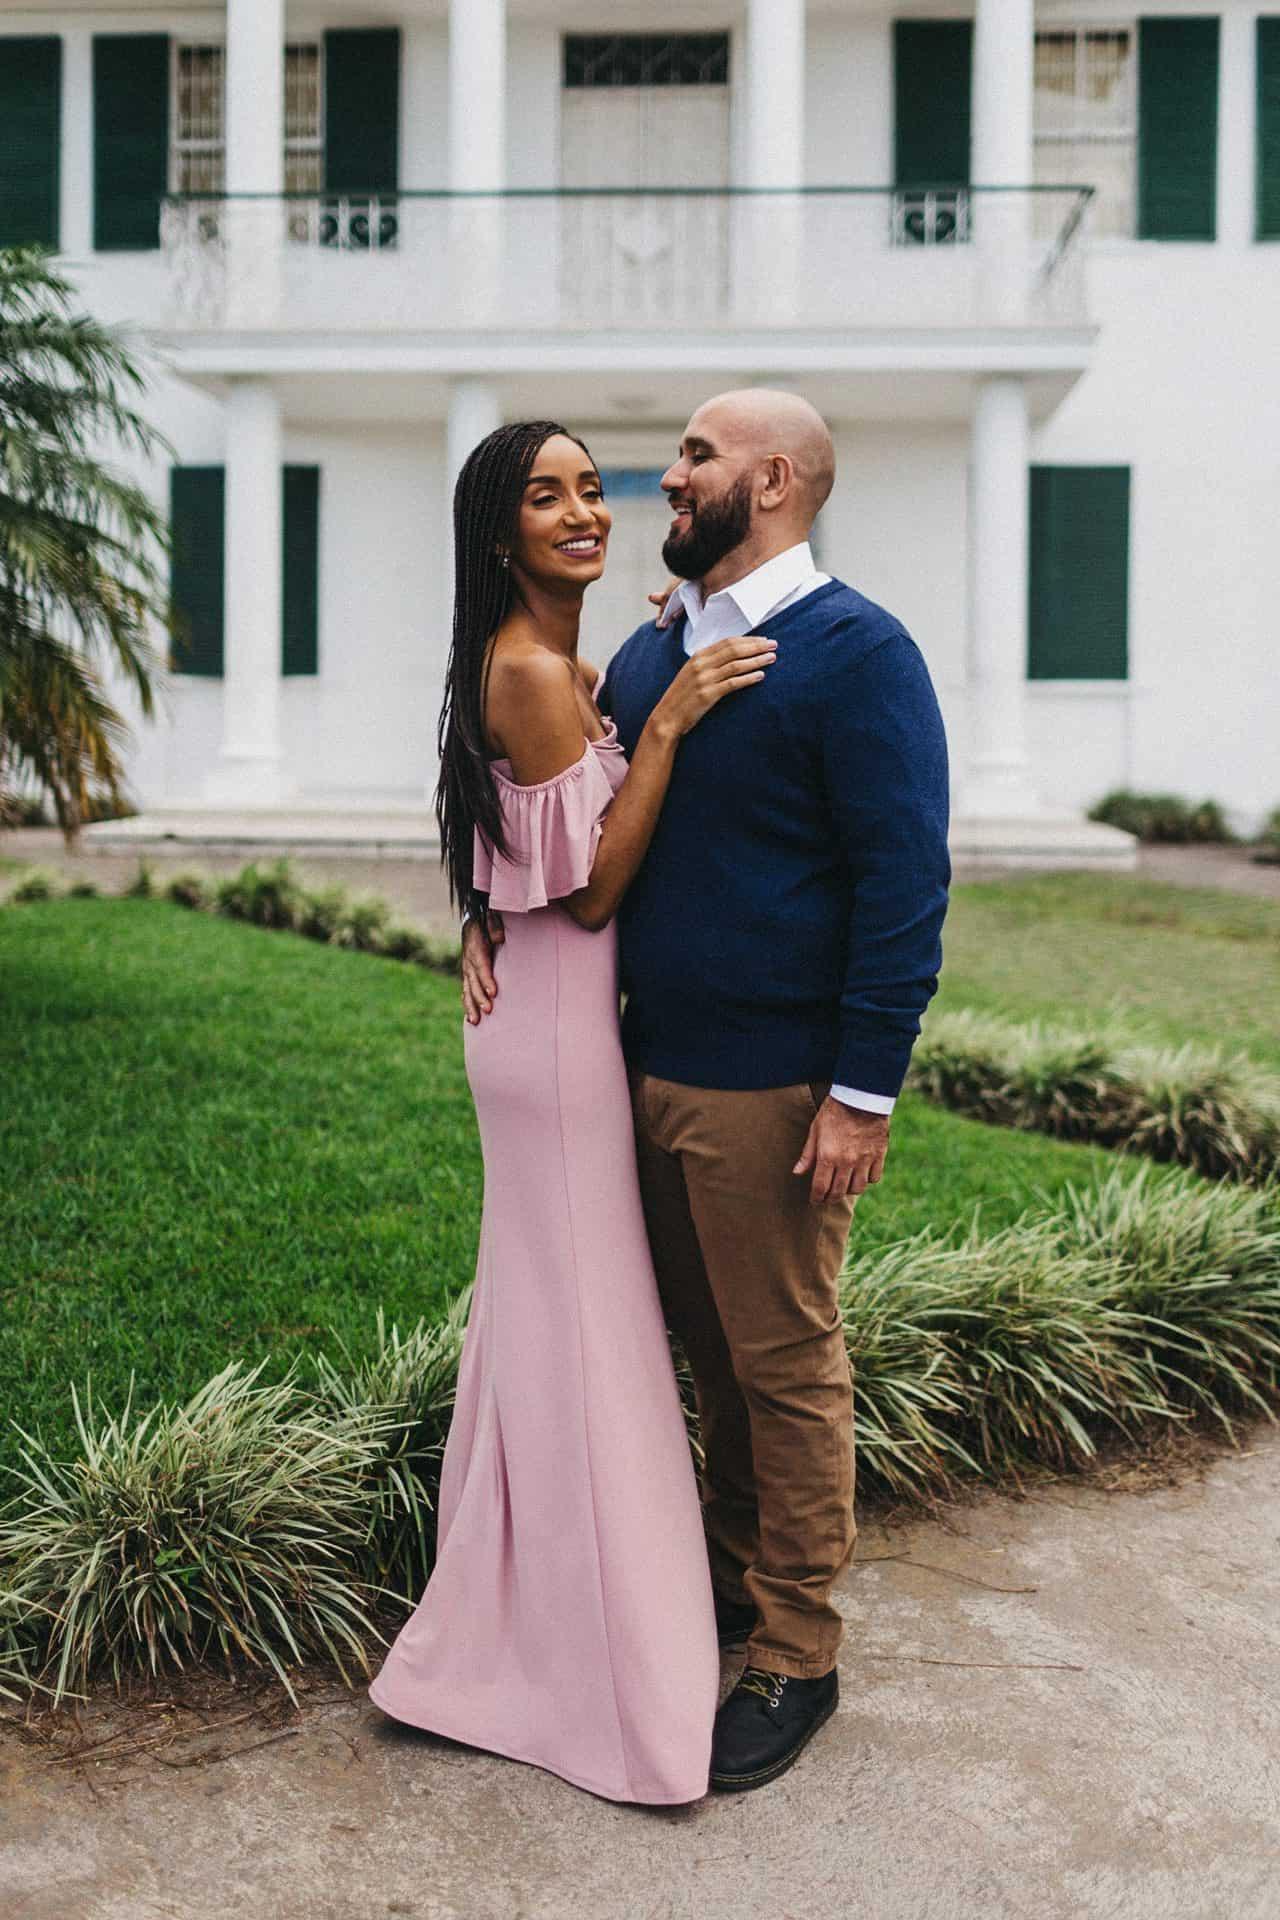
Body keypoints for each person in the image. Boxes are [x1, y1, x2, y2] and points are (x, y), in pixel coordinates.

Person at [463, 390, 951, 1794]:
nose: (661, 482)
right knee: (711, 1366)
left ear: (775, 480)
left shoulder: (859, 653)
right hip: (638, 1069)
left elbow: (902, 886)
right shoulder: (647, 648)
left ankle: (798, 1651)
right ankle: (735, 1596)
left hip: (773, 1085)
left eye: (693, 459)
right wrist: (482, 914)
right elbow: (568, 825)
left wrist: (861, 1093)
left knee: (783, 1366)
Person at [367, 420, 778, 1805]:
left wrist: (482, 909)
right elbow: (593, 887)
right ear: (501, 535)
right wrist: (663, 721)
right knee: (590, 1345)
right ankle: (605, 1683)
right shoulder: (534, 672)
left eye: (593, 487)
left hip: (539, 1015)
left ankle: (509, 1632)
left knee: (548, 1337)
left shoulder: (550, 667)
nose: (584, 511)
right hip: (552, 1044)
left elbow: (519, 848)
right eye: (548, 496)